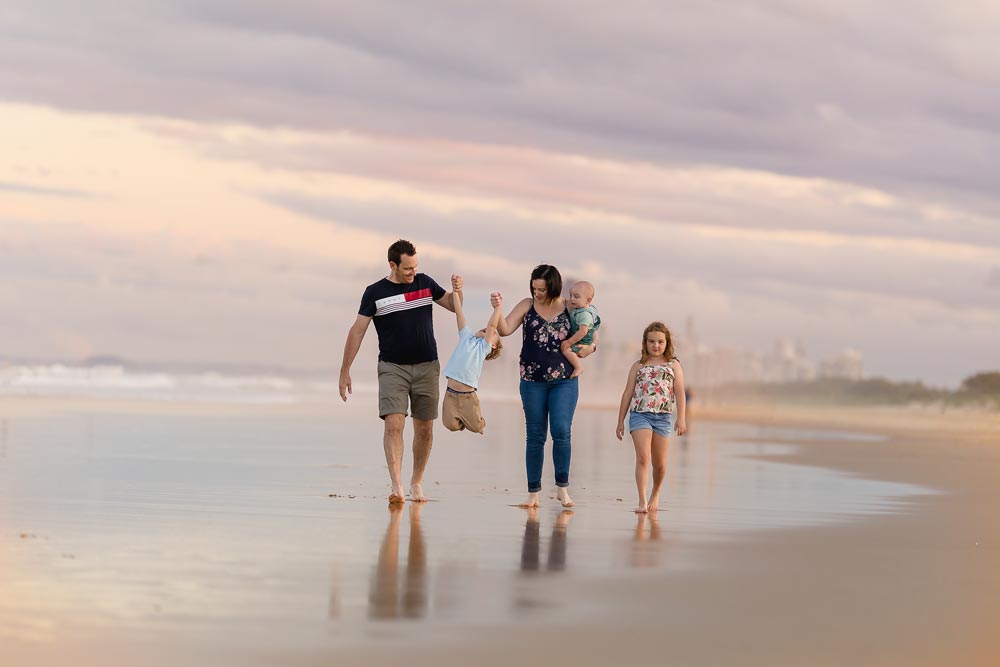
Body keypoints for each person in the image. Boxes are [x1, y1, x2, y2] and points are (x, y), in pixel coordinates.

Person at [339, 239, 461, 504]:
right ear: (393, 265)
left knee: (425, 429)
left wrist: (457, 291)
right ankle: (397, 486)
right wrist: (345, 370)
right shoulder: (374, 292)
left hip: (428, 366)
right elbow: (357, 331)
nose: (412, 273)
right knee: (394, 423)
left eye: (415, 267)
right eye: (407, 269)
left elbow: (452, 305)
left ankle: (417, 483)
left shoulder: (425, 283)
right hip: (392, 367)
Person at [493, 264, 578, 508]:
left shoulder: (569, 307)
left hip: (565, 379)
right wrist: (498, 308)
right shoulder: (527, 305)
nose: (537, 293)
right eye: (534, 288)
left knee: (561, 431)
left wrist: (588, 348)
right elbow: (505, 329)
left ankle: (562, 488)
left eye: (541, 289)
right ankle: (533, 494)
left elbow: (589, 336)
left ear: (553, 286)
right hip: (531, 380)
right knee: (535, 436)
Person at [614, 322, 687, 513]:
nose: (656, 345)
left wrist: (681, 418)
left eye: (660, 342)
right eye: (652, 341)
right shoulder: (638, 365)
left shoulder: (673, 365)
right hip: (640, 415)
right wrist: (620, 421)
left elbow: (679, 392)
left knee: (660, 465)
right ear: (645, 343)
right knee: (643, 458)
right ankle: (642, 501)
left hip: (663, 418)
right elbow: (627, 393)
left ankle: (655, 494)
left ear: (667, 343)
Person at [441, 277, 504, 434]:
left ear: (492, 345)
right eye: (484, 330)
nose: (486, 331)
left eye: (490, 334)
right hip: (450, 394)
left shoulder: (483, 348)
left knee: (477, 428)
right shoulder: (466, 337)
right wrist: (455, 291)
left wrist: (497, 308)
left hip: (468, 397)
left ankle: (478, 423)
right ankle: (461, 420)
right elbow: (459, 313)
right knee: (450, 425)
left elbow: (492, 326)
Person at [559, 280, 601, 378]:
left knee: (567, 350)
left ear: (588, 300)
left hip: (583, 340)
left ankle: (578, 367)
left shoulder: (584, 314)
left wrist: (569, 342)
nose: (572, 299)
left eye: (576, 297)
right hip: (579, 336)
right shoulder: (578, 309)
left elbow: (583, 332)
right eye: (571, 296)